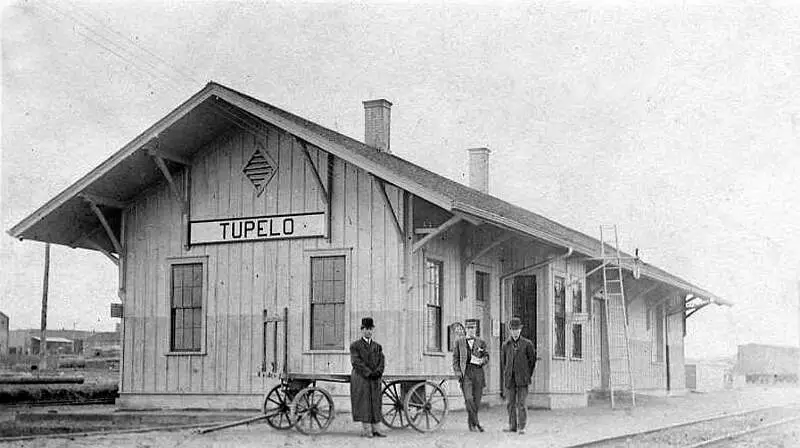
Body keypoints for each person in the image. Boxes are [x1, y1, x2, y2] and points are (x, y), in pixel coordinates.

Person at [350, 317, 386, 438]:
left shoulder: (377, 346)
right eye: (366, 329)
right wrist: (368, 373)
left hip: (375, 378)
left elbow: (382, 360)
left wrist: (378, 372)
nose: (369, 332)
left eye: (371, 329)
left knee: (375, 402)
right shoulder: (355, 346)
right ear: (362, 330)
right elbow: (356, 362)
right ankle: (367, 430)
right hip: (362, 378)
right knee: (364, 403)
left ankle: (377, 429)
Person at [500, 316, 536, 435]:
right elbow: (504, 362)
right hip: (510, 379)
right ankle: (512, 426)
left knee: (521, 403)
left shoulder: (527, 344)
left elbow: (532, 361)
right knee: (510, 403)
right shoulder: (506, 345)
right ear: (510, 330)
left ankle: (521, 427)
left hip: (523, 379)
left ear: (520, 330)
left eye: (517, 330)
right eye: (513, 329)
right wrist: (507, 374)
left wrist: (527, 374)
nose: (515, 332)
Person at [452, 320, 489, 432]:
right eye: (469, 328)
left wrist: (482, 360)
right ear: (466, 330)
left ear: (476, 329)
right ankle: (477, 423)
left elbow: (486, 356)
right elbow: (455, 359)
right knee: (468, 399)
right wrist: (458, 372)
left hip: (478, 373)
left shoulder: (481, 342)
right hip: (466, 374)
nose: (471, 330)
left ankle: (471, 424)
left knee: (476, 401)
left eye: (473, 328)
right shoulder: (459, 342)